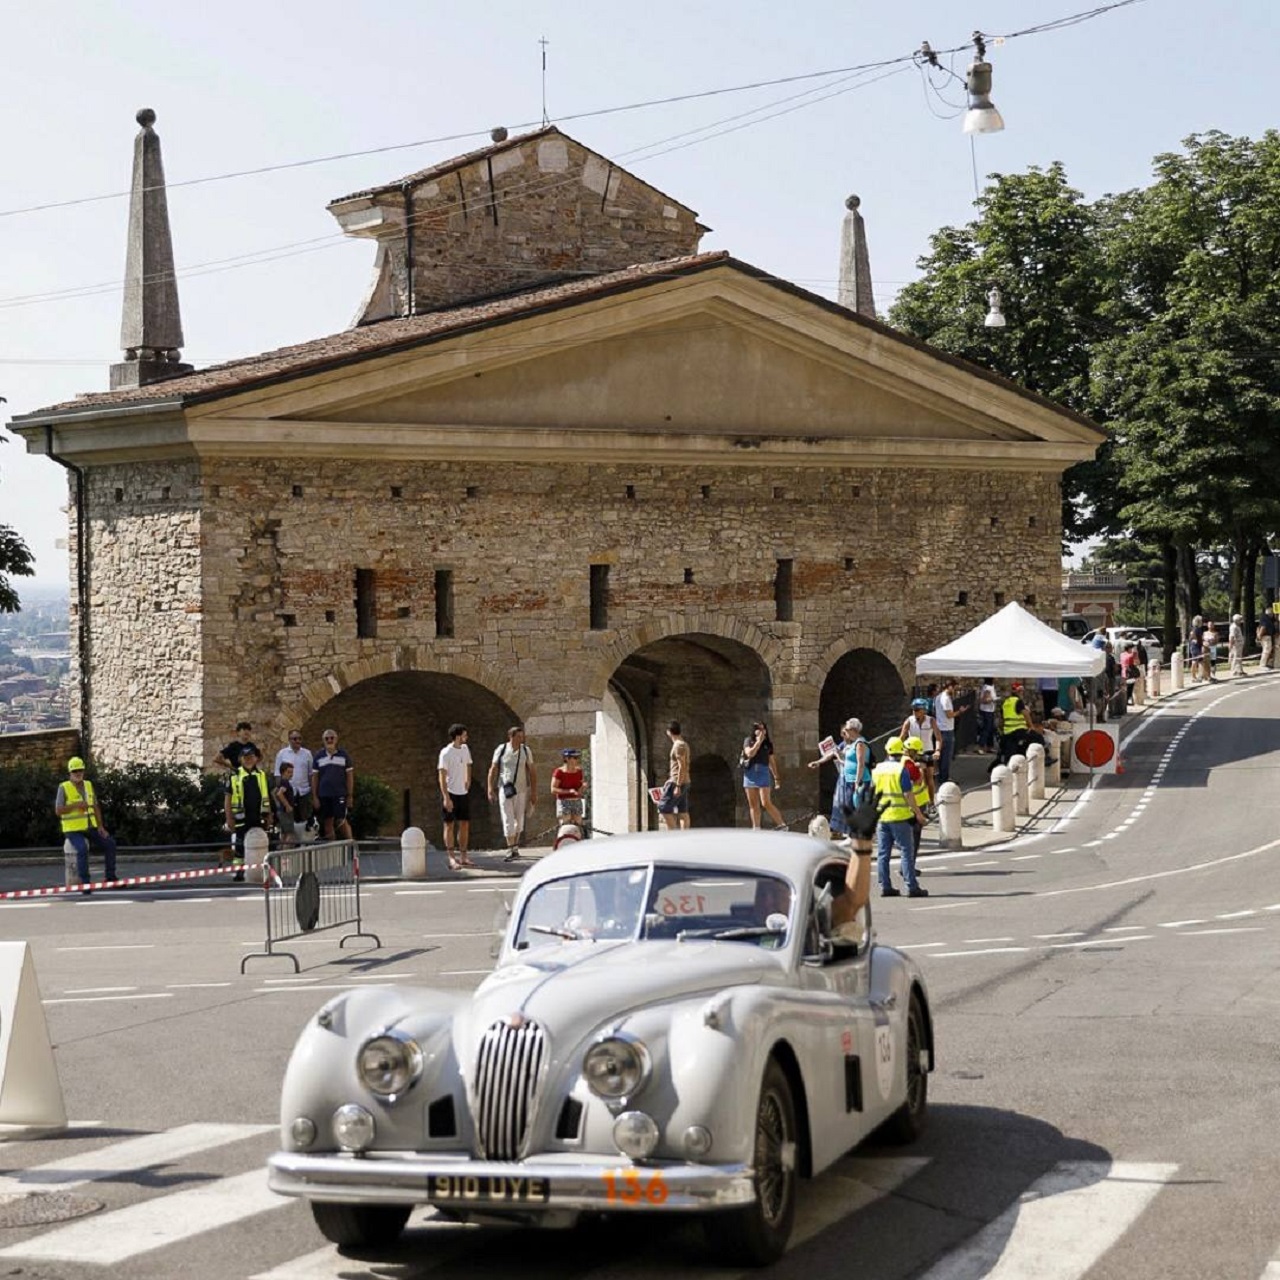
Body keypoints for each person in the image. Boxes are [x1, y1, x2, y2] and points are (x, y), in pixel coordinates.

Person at [871, 737, 927, 898]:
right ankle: (912, 886)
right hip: (900, 817)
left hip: (882, 817)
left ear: (887, 751)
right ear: (901, 751)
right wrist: (918, 813)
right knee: (906, 851)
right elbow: (907, 794)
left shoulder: (877, 770)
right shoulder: (900, 769)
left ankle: (885, 886)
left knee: (883, 853)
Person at [55, 755, 117, 894]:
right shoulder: (63, 787)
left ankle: (111, 878)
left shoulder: (88, 785)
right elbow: (58, 811)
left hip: (90, 826)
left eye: (80, 770)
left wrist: (101, 826)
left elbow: (95, 806)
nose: (78, 773)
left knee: (110, 844)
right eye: (75, 771)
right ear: (70, 773)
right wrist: (76, 805)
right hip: (73, 829)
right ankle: (85, 884)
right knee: (82, 849)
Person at [806, 718, 867, 836]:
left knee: (851, 803)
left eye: (845, 732)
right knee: (840, 803)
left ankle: (853, 831)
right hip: (843, 779)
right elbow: (830, 754)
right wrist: (818, 762)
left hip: (852, 779)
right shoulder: (843, 745)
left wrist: (840, 759)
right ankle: (842, 830)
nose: (843, 735)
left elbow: (857, 762)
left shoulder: (859, 744)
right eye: (843, 733)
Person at [487, 726, 537, 862]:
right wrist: (490, 788)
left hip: (521, 789)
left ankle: (515, 847)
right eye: (519, 736)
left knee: (519, 819)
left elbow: (532, 771)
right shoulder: (501, 749)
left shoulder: (526, 750)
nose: (522, 739)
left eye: (522, 736)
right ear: (511, 736)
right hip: (505, 788)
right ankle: (510, 847)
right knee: (508, 818)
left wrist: (533, 792)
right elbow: (493, 769)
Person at [224, 744, 270, 882]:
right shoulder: (234, 776)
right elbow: (227, 799)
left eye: (251, 757)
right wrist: (229, 818)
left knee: (260, 843)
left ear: (256, 759)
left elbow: (267, 796)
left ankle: (260, 870)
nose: (249, 759)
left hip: (259, 815)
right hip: (241, 816)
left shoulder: (261, 775)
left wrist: (270, 815)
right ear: (240, 760)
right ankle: (239, 871)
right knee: (239, 845)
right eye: (246, 757)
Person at [438, 724, 473, 870]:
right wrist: (446, 797)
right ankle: (452, 858)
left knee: (464, 824)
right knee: (449, 825)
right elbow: (441, 775)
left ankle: (463, 856)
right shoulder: (446, 753)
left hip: (463, 793)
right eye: (465, 735)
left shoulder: (465, 749)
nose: (467, 737)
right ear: (458, 736)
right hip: (451, 792)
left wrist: (468, 780)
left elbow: (469, 764)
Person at [311, 729, 354, 842]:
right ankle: (333, 851)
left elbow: (349, 776)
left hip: (340, 794)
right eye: (327, 738)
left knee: (341, 820)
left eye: (332, 738)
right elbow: (315, 778)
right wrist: (315, 797)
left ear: (336, 739)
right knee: (327, 822)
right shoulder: (318, 757)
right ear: (323, 740)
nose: (329, 740)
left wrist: (349, 795)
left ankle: (352, 847)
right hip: (324, 795)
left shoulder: (344, 755)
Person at [741, 721, 785, 830]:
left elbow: (772, 762)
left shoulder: (768, 745)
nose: (760, 731)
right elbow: (750, 753)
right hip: (750, 773)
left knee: (765, 802)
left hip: (763, 772)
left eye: (763, 728)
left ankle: (782, 825)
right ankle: (756, 828)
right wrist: (758, 743)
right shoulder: (748, 741)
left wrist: (776, 777)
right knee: (753, 804)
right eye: (757, 729)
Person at [900, 699, 939, 806]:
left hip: (928, 750)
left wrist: (937, 751)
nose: (914, 712)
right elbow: (901, 738)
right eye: (913, 709)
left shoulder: (931, 721)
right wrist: (901, 750)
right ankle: (921, 803)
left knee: (930, 777)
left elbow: (938, 738)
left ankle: (931, 802)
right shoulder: (909, 721)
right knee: (920, 777)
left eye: (917, 710)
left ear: (924, 711)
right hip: (914, 752)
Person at [273, 731, 315, 831]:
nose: (298, 741)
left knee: (304, 821)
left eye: (300, 738)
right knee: (289, 824)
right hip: (288, 793)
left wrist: (312, 792)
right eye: (295, 739)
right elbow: (277, 774)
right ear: (289, 739)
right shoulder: (282, 754)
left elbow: (311, 774)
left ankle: (303, 844)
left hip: (303, 792)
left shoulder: (307, 754)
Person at [933, 677, 967, 786]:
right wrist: (960, 712)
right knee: (946, 756)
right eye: (955, 688)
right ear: (950, 687)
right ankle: (944, 778)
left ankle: (941, 776)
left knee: (941, 755)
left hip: (940, 728)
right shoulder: (946, 699)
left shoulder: (938, 697)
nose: (955, 691)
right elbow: (949, 715)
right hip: (946, 729)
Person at [658, 721, 691, 830]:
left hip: (678, 782)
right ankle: (684, 835)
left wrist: (677, 785)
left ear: (669, 732)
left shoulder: (678, 746)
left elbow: (681, 766)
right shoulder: (684, 744)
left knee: (663, 807)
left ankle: (673, 833)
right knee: (683, 810)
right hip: (683, 780)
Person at [551, 748, 588, 830]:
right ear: (566, 759)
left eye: (577, 758)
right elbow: (553, 789)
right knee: (565, 827)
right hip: (564, 801)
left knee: (578, 826)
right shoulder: (559, 772)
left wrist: (583, 787)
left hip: (576, 801)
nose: (577, 760)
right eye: (574, 758)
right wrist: (568, 791)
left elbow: (579, 791)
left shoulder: (579, 771)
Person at [273, 761, 299, 849]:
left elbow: (274, 792)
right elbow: (279, 794)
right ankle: (285, 853)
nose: (291, 774)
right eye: (289, 772)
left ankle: (280, 851)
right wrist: (287, 805)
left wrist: (278, 804)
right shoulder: (285, 783)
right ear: (283, 772)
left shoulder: (282, 782)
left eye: (292, 772)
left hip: (281, 811)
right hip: (285, 812)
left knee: (284, 834)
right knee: (290, 834)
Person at [976, 678, 997, 754]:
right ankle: (981, 746)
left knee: (991, 729)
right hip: (986, 711)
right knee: (986, 728)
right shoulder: (987, 688)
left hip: (990, 710)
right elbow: (984, 700)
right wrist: (993, 699)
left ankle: (989, 746)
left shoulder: (991, 687)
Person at [1258, 606, 1277, 671]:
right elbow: (1263, 627)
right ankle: (1262, 665)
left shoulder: (1268, 618)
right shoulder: (1265, 619)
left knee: (1268, 650)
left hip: (1267, 636)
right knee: (1266, 651)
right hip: (1265, 636)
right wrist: (1260, 636)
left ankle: (1266, 663)